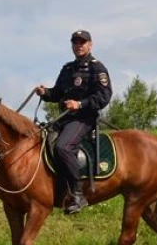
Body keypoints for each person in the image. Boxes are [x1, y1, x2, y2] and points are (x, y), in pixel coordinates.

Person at [35, 29, 112, 214]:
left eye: (82, 42)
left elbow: (104, 96)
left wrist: (79, 104)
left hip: (84, 118)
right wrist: (45, 93)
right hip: (64, 119)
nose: (79, 46)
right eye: (75, 42)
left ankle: (78, 195)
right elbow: (57, 93)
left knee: (63, 147)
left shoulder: (97, 68)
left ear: (90, 45)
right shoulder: (67, 69)